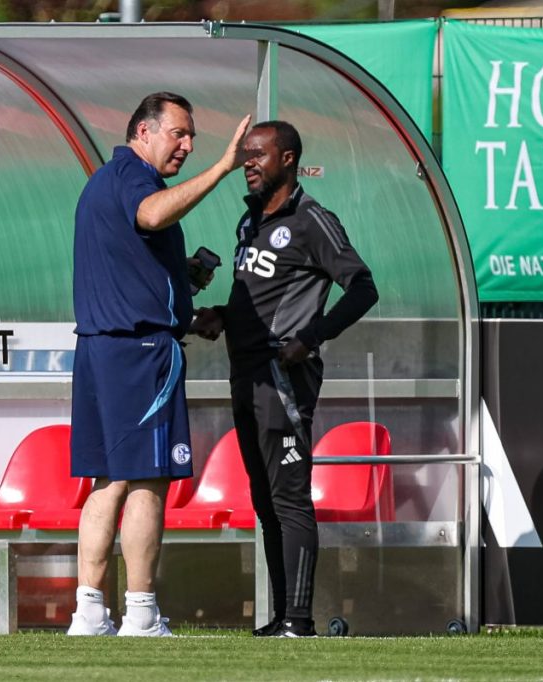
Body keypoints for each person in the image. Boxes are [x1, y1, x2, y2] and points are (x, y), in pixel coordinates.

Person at [68, 92, 250, 637]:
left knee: (107, 481)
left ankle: (89, 613)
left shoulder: (106, 179)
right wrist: (223, 168)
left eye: (192, 138)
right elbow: (150, 215)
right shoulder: (133, 178)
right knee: (148, 480)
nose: (188, 146)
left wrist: (185, 304)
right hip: (138, 353)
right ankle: (142, 613)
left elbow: (132, 277)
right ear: (143, 133)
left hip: (102, 348)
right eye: (179, 134)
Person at [194, 121, 379, 638]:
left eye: (259, 155)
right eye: (245, 155)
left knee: (290, 497)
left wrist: (313, 336)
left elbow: (363, 289)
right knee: (263, 497)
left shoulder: (312, 220)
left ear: (290, 159)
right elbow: (250, 297)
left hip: (282, 378)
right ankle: (280, 616)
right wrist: (221, 316)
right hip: (244, 375)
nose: (248, 163)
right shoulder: (248, 221)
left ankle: (299, 619)